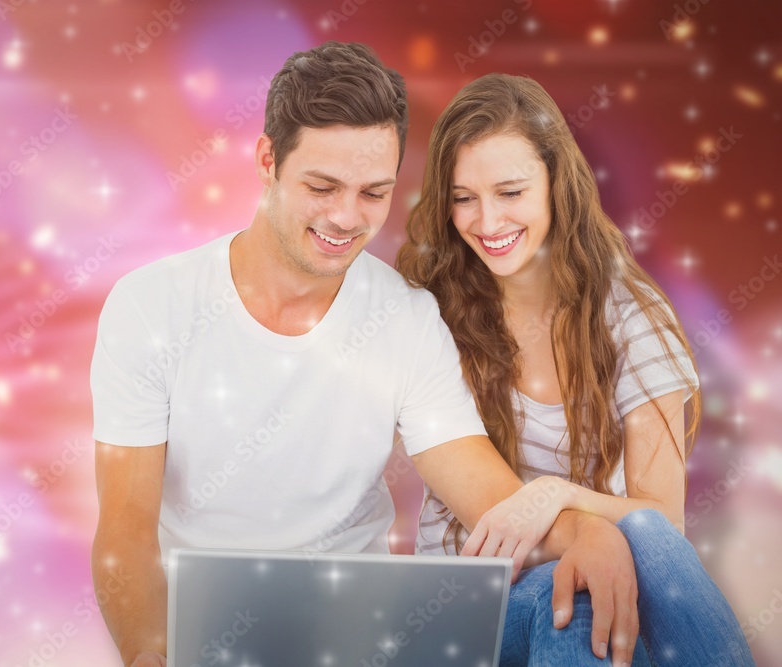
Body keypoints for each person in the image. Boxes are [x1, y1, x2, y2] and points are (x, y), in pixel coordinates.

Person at [91, 43, 640, 667]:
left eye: (373, 192)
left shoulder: (404, 318)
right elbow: (125, 532)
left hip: (360, 639)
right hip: (202, 638)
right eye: (322, 186)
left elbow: (487, 499)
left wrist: (586, 530)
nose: (346, 218)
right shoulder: (151, 305)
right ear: (268, 160)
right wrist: (149, 657)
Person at [398, 72, 754, 666]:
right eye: (464, 198)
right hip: (469, 605)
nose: (487, 222)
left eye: (510, 192)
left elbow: (662, 527)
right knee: (580, 597)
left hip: (602, 576)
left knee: (621, 559)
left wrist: (554, 495)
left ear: (556, 185)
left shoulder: (631, 315)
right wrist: (582, 528)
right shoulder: (428, 312)